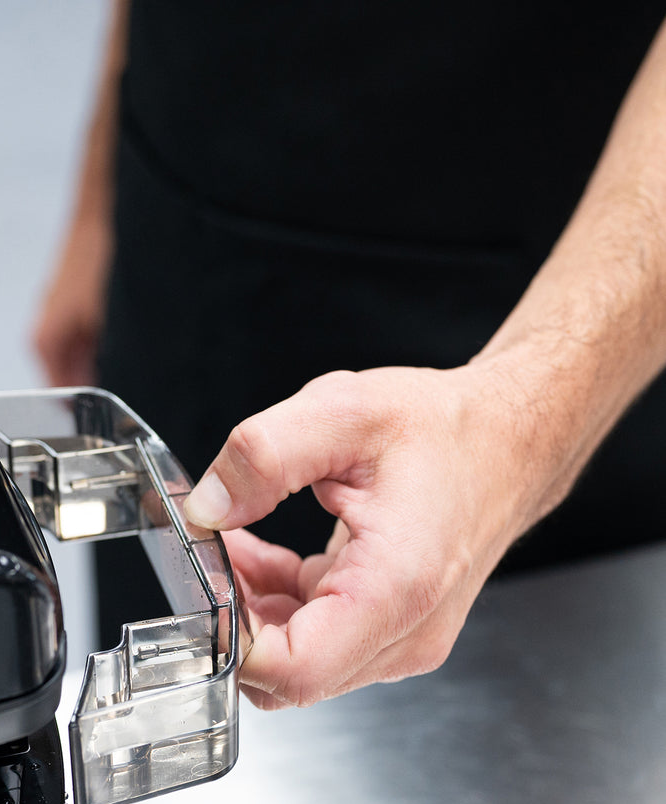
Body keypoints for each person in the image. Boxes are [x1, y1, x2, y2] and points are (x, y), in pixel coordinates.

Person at [34, 2, 666, 709]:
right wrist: (102, 192)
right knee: (162, 688)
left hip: (539, 283)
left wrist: (525, 419)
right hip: (182, 203)